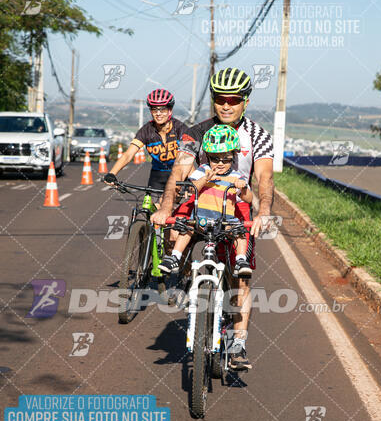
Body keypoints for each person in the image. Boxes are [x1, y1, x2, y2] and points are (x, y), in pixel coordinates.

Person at [151, 67, 274, 369]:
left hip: (234, 211)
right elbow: (179, 172)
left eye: (233, 99)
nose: (226, 105)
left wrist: (265, 213)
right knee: (172, 235)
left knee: (240, 280)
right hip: (200, 206)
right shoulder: (196, 133)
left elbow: (265, 179)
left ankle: (238, 345)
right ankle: (178, 277)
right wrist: (166, 208)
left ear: (245, 101)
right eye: (220, 99)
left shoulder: (258, 136)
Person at [158, 125, 253, 278]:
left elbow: (249, 199)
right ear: (208, 156)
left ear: (233, 157)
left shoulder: (237, 176)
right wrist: (205, 179)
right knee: (186, 227)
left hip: (225, 222)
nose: (220, 163)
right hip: (200, 219)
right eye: (215, 159)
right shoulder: (202, 170)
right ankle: (175, 257)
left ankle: (241, 260)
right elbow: (191, 189)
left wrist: (243, 189)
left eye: (226, 159)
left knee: (239, 231)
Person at [105, 89, 190, 190]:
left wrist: (191, 179)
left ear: (169, 111)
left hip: (178, 173)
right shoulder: (146, 130)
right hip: (157, 176)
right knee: (151, 205)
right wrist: (112, 173)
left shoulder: (181, 128)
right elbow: (128, 155)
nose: (158, 113)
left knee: (170, 201)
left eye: (162, 109)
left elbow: (189, 157)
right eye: (154, 109)